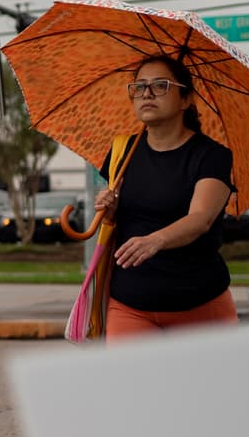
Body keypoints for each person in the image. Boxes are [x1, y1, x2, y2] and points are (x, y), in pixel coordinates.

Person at [94, 55, 238, 342]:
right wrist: (109, 210)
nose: (146, 93)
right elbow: (120, 222)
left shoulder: (212, 156)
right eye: (139, 86)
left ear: (185, 99)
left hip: (200, 305)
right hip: (130, 305)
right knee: (132, 388)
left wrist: (155, 240)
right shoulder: (123, 152)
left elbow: (201, 219)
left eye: (160, 85)